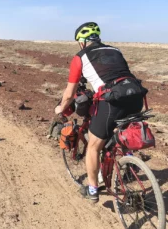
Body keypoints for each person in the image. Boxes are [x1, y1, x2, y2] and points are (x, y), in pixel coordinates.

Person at [54, 22, 144, 203]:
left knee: (94, 146)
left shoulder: (80, 57)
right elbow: (116, 74)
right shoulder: (116, 50)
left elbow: (70, 93)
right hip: (136, 97)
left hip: (112, 103)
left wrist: (61, 108)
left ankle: (93, 189)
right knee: (118, 131)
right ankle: (128, 161)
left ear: (82, 41)